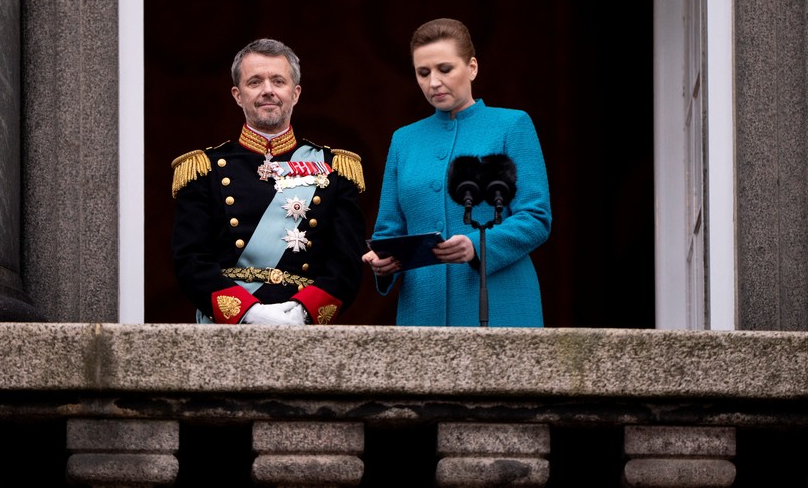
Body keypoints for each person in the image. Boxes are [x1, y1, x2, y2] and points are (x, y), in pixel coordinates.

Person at [362, 18, 552, 327]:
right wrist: (382, 261)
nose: (433, 82)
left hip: (502, 303)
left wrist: (478, 245)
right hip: (423, 311)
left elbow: (536, 217)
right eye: (423, 73)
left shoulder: (511, 126)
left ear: (472, 67)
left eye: (444, 69)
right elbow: (389, 231)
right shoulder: (404, 140)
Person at [171, 37, 367, 325]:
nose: (268, 91)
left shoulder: (334, 168)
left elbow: (346, 264)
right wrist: (248, 312)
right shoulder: (205, 168)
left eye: (278, 81)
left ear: (296, 92)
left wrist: (302, 311)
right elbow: (190, 260)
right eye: (255, 82)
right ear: (237, 95)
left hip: (302, 324)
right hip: (228, 326)